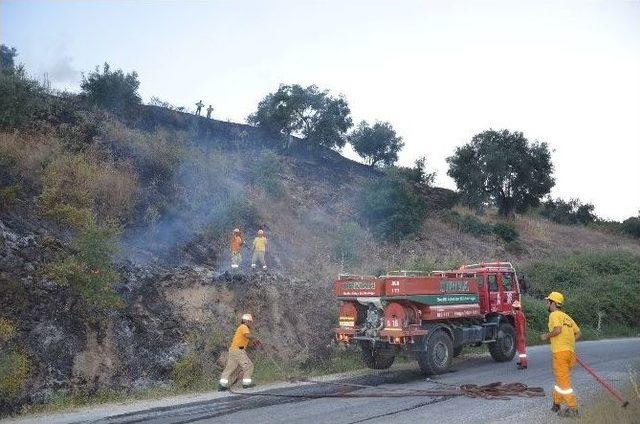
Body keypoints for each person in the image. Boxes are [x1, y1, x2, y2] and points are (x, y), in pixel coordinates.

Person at [540, 291, 581, 418]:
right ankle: (557, 403)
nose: (547, 304)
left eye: (548, 302)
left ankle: (573, 408)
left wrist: (546, 336)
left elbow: (557, 330)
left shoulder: (554, 315)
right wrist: (569, 343)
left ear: (553, 303)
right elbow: (578, 333)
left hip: (560, 353)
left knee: (563, 381)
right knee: (561, 378)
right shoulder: (567, 317)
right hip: (570, 353)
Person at [219, 313, 259, 390]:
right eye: (250, 322)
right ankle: (246, 384)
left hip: (233, 350)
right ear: (246, 321)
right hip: (238, 350)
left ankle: (222, 385)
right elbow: (247, 335)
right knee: (249, 366)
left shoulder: (241, 328)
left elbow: (245, 340)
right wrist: (256, 338)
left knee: (230, 368)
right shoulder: (244, 327)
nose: (251, 323)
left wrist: (254, 343)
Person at [512, 300, 528, 369]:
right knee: (520, 349)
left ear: (514, 307)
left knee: (521, 349)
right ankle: (522, 361)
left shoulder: (518, 314)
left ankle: (524, 364)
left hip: (520, 333)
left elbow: (521, 325)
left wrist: (522, 335)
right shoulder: (520, 313)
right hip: (519, 333)